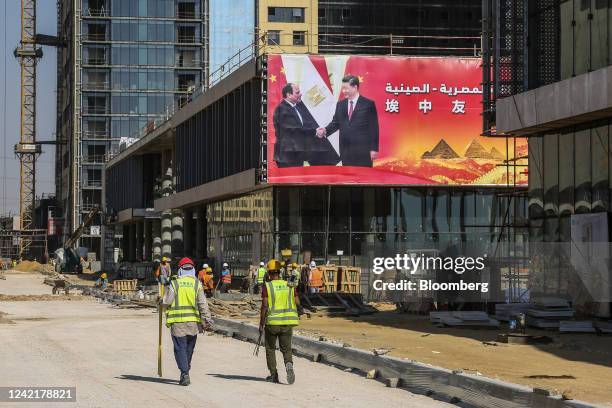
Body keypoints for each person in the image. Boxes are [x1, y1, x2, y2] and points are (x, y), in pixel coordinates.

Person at [162, 257, 213, 386]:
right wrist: (207, 320)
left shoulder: (175, 283)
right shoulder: (197, 284)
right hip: (193, 324)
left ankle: (184, 372)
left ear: (180, 270)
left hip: (178, 323)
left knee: (180, 348)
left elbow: (167, 302)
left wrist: (161, 301)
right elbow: (203, 304)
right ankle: (185, 370)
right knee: (189, 349)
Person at [317, 75, 379, 167]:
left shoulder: (368, 104)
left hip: (363, 151)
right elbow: (335, 123)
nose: (343, 91)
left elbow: (374, 128)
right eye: (343, 88)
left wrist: (374, 149)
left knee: (363, 178)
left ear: (355, 87)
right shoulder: (340, 105)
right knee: (348, 179)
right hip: (346, 151)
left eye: (346, 88)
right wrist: (325, 130)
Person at [259, 259, 300, 384]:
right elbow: (297, 301)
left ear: (269, 273)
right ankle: (289, 364)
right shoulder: (289, 284)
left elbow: (265, 305)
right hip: (287, 323)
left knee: (270, 349)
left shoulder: (268, 286)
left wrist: (261, 324)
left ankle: (273, 375)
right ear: (280, 272)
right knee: (286, 349)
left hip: (272, 324)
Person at [273, 83, 320, 167]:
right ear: (289, 95)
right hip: (286, 156)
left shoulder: (297, 108)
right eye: (297, 93)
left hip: (297, 154)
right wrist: (315, 131)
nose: (301, 94)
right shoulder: (282, 109)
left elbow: (305, 124)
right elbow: (294, 129)